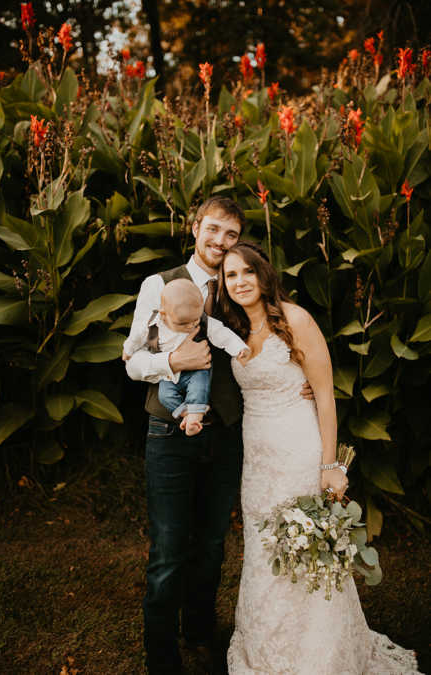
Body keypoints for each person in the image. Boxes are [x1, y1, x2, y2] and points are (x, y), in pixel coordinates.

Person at [122, 196, 314, 675]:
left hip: (226, 434)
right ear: (194, 228)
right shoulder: (158, 285)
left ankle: (200, 634)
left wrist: (299, 376)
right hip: (168, 433)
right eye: (213, 230)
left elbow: (269, 331)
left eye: (231, 234)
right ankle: (161, 652)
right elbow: (130, 359)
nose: (220, 242)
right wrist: (171, 361)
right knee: (169, 547)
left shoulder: (235, 286)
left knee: (211, 544)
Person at [218, 240, 422, 675]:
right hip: (256, 460)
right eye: (230, 275)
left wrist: (331, 465)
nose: (239, 281)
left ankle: (318, 654)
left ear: (263, 274)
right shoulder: (234, 330)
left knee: (305, 546)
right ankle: (269, 646)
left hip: (297, 449)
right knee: (263, 549)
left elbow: (325, 395)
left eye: (246, 272)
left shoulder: (295, 320)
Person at [124, 277, 249, 436]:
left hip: (197, 370)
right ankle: (184, 413)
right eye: (183, 324)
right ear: (164, 314)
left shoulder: (201, 320)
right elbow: (137, 337)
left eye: (195, 320)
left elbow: (221, 333)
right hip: (169, 375)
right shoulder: (153, 324)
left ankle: (195, 416)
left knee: (199, 389)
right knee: (165, 395)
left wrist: (239, 348)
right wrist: (128, 349)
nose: (191, 326)